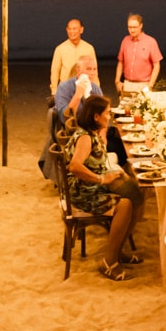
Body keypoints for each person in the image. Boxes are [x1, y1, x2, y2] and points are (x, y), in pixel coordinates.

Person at [66, 95, 140, 281]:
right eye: (107, 113)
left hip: (91, 186)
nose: (110, 116)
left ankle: (117, 251)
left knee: (138, 194)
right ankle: (109, 261)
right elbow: (74, 166)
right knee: (126, 205)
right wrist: (101, 179)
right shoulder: (85, 138)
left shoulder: (91, 133)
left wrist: (113, 174)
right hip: (84, 192)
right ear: (96, 117)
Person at [49, 18, 100, 94]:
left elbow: (94, 72)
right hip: (66, 89)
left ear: (81, 30)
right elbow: (55, 71)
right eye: (69, 29)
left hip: (85, 89)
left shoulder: (89, 48)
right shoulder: (60, 49)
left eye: (74, 29)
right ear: (66, 30)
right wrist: (54, 91)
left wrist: (97, 89)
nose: (71, 31)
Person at [114, 14, 162, 95]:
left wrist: (150, 85)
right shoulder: (125, 41)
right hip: (127, 84)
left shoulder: (151, 42)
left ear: (141, 26)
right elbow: (121, 62)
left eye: (135, 27)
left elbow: (156, 65)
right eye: (130, 27)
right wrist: (117, 81)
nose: (132, 30)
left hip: (144, 85)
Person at [54, 50, 103, 123]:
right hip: (73, 128)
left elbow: (103, 115)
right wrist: (77, 95)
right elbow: (65, 119)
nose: (92, 73)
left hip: (93, 127)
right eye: (88, 69)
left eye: (94, 69)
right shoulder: (64, 87)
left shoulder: (95, 88)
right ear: (78, 70)